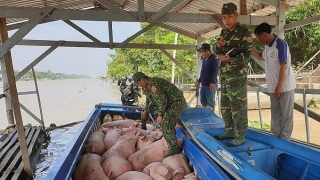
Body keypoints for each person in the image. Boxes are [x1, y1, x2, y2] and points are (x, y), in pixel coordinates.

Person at [212, 2, 253, 146]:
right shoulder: (224, 33)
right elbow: (216, 52)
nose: (227, 20)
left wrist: (231, 59)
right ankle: (229, 129)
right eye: (224, 17)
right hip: (224, 75)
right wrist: (217, 47)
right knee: (225, 104)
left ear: (236, 15)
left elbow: (247, 54)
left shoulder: (244, 32)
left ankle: (240, 134)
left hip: (237, 76)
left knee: (238, 105)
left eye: (229, 16)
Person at [251, 22, 296, 139]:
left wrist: (279, 86)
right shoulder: (267, 47)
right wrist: (249, 46)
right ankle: (276, 137)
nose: (258, 40)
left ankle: (285, 139)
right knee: (275, 114)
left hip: (284, 86)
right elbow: (260, 56)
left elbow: (284, 65)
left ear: (264, 34)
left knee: (286, 115)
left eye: (258, 37)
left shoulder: (280, 44)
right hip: (273, 87)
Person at [133, 72, 187, 157]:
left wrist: (160, 115)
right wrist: (146, 110)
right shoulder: (147, 86)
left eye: (138, 82)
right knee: (147, 110)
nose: (138, 85)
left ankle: (174, 148)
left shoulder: (153, 84)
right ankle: (143, 126)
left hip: (176, 102)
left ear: (142, 80)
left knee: (166, 124)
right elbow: (150, 100)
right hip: (169, 103)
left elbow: (162, 100)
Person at [195, 43, 219, 111]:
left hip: (210, 84)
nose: (201, 53)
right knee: (203, 102)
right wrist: (199, 81)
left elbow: (215, 70)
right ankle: (205, 118)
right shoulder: (205, 59)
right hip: (203, 84)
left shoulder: (214, 58)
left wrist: (213, 82)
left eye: (202, 51)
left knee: (211, 103)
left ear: (207, 51)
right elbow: (202, 71)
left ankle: (211, 119)